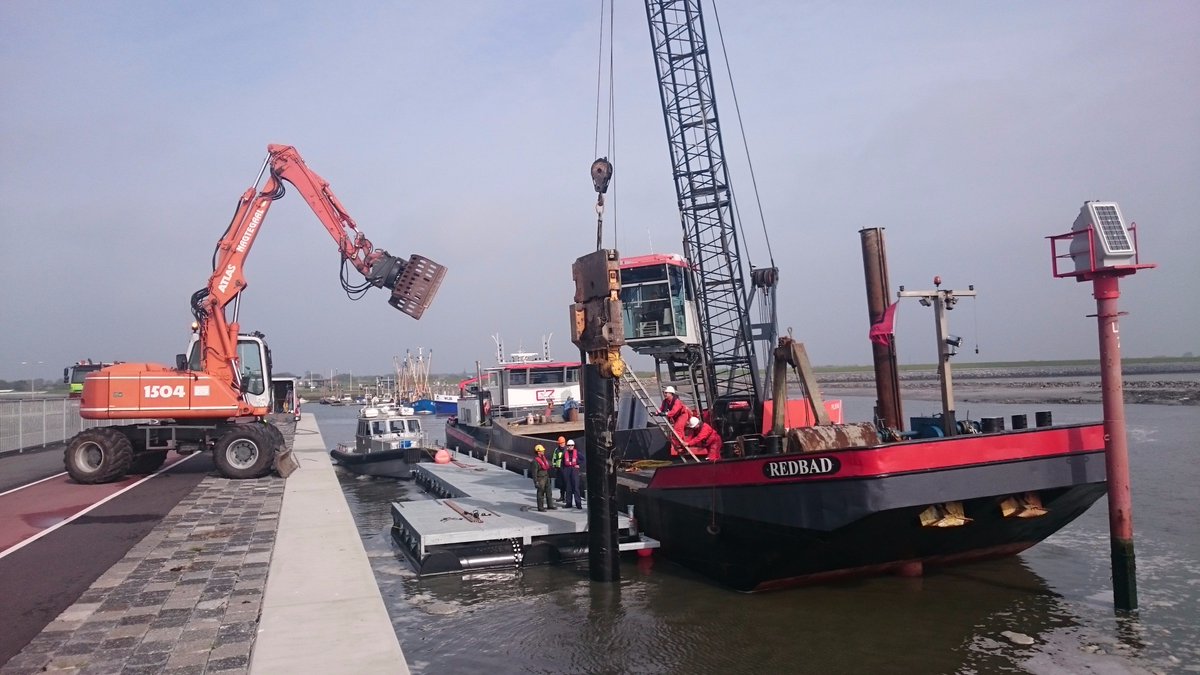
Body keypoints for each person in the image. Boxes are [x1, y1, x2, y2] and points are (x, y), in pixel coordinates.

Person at [658, 386, 690, 454]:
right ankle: (683, 446)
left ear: (671, 393)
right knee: (680, 431)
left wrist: (665, 414)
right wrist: (657, 413)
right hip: (676, 417)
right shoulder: (665, 401)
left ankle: (677, 445)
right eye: (664, 393)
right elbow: (661, 408)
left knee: (677, 429)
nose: (664, 394)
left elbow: (674, 411)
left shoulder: (677, 401)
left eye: (666, 393)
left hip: (682, 415)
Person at [532, 444, 555, 511]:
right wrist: (535, 482)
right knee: (540, 493)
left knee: (549, 492)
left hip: (546, 477)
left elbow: (546, 467)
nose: (543, 452)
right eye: (542, 451)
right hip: (540, 478)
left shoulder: (543, 458)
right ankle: (540, 507)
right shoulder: (535, 461)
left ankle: (550, 505)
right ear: (538, 452)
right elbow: (534, 472)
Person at [560, 439, 583, 509]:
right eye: (569, 445)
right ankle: (568, 503)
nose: (570, 446)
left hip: (574, 471)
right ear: (567, 446)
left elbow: (583, 459)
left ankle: (578, 504)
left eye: (572, 445)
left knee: (576, 488)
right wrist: (563, 471)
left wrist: (578, 464)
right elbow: (562, 463)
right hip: (567, 471)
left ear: (574, 446)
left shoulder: (577, 453)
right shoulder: (565, 454)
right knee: (568, 488)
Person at [552, 436, 567, 503]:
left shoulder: (567, 450)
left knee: (566, 483)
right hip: (559, 468)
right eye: (559, 443)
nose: (560, 444)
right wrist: (554, 465)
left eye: (562, 443)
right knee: (561, 483)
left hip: (565, 469)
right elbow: (554, 458)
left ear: (564, 443)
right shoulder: (556, 450)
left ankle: (566, 498)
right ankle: (562, 496)